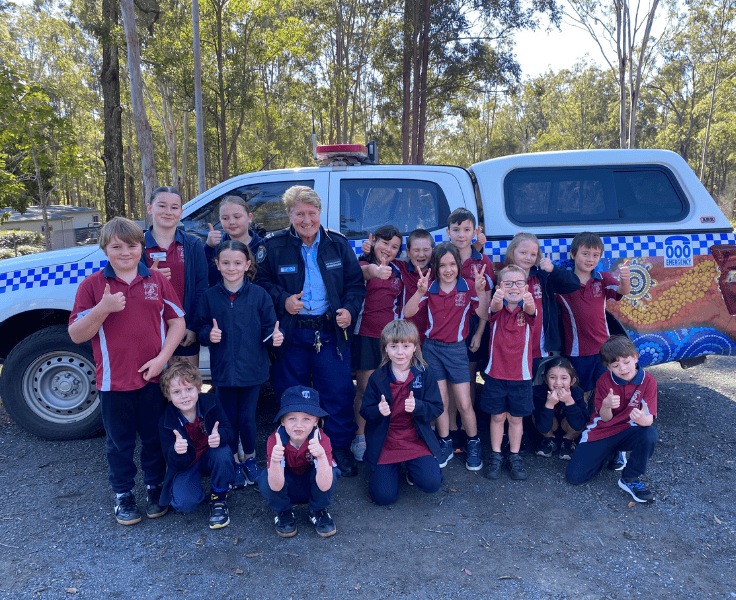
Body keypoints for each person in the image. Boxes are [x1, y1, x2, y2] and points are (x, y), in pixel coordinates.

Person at [68, 217, 186, 525]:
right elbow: (77, 334)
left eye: (132, 246)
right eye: (116, 247)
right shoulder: (93, 286)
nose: (125, 253)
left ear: (142, 248)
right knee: (119, 443)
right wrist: (103, 308)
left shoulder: (157, 281)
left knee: (153, 438)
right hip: (114, 381)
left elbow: (177, 323)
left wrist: (162, 359)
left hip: (153, 379)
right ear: (105, 249)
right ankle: (123, 495)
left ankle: (154, 487)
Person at [254, 185, 366, 477]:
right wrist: (283, 299)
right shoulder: (274, 245)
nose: (306, 220)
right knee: (292, 395)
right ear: (289, 215)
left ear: (320, 213)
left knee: (338, 392)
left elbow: (355, 286)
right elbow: (260, 284)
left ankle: (338, 448)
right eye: (299, 213)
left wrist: (349, 311)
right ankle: (294, 452)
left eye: (311, 213)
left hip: (329, 332)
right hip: (292, 333)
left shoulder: (338, 244)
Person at [191, 241, 283, 488]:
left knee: (246, 418)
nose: (232, 268)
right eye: (226, 263)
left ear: (247, 265)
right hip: (223, 371)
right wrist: (207, 334)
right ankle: (232, 460)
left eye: (237, 263)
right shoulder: (210, 296)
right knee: (227, 418)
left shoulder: (259, 295)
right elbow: (199, 327)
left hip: (253, 370)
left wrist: (275, 337)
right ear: (218, 265)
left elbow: (269, 327)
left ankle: (250, 460)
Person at [403, 242, 489, 470]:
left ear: (459, 265)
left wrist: (481, 292)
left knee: (464, 402)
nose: (448, 269)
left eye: (452, 264)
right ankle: (445, 443)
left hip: (457, 350)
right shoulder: (429, 288)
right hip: (432, 349)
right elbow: (407, 312)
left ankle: (473, 442)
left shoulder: (468, 286)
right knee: (440, 401)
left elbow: (483, 313)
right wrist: (419, 292)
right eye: (442, 265)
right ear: (436, 267)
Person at [360, 320, 444, 505]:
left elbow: (437, 408)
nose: (400, 352)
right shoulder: (377, 377)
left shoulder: (424, 373)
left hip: (415, 439)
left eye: (406, 346)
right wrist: (378, 410)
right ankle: (389, 471)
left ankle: (414, 471)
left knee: (431, 483)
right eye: (394, 346)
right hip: (386, 441)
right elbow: (365, 411)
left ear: (414, 347)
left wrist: (419, 407)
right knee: (384, 497)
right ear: (385, 349)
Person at [566, 336, 659, 503]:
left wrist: (642, 419)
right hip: (602, 431)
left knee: (649, 434)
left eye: (626, 362)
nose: (622, 369)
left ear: (636, 357)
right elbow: (605, 418)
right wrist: (607, 405)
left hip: (628, 430)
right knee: (575, 477)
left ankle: (630, 478)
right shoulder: (604, 381)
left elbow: (649, 420)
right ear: (608, 367)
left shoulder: (648, 381)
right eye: (615, 366)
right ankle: (611, 453)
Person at [158, 361, 235, 528]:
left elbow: (228, 430)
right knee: (185, 505)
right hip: (188, 463)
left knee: (222, 452)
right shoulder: (166, 420)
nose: (184, 396)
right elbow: (171, 461)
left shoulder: (211, 402)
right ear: (168, 395)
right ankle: (195, 486)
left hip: (210, 456)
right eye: (177, 392)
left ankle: (219, 498)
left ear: (199, 388)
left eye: (189, 389)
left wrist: (220, 436)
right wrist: (176, 451)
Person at [350, 225, 404, 463]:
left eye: (394, 247)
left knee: (391, 390)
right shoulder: (361, 265)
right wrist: (375, 269)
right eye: (384, 243)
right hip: (365, 336)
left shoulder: (399, 271)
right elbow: (367, 272)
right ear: (372, 240)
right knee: (364, 389)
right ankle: (359, 436)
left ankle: (389, 433)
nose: (388, 250)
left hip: (391, 341)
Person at [258, 386, 340, 537]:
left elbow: (325, 484)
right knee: (265, 478)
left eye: (306, 418)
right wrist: (275, 461)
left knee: (331, 470)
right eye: (292, 418)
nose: (299, 425)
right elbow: (275, 486)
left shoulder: (322, 439)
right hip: (286, 487)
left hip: (312, 486)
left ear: (316, 421)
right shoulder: (275, 440)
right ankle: (283, 511)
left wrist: (321, 457)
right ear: (282, 421)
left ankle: (317, 510)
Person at [556, 232, 631, 394]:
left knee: (605, 390)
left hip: (604, 349)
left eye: (595, 255)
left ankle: (601, 419)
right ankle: (583, 419)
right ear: (573, 254)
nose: (590, 259)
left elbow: (621, 291)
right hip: (577, 351)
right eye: (585, 254)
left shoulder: (602, 279)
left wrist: (625, 280)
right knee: (578, 392)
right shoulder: (563, 283)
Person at [445, 209, 495, 452]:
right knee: (451, 378)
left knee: (467, 378)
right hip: (450, 326)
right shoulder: (443, 256)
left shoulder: (483, 261)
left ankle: (467, 429)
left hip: (474, 325)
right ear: (448, 232)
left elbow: (486, 299)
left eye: (466, 230)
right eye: (456, 230)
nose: (461, 235)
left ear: (475, 232)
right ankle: (452, 429)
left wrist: (479, 332)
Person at [142, 186, 208, 367]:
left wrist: (193, 327)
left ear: (181, 212)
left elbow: (201, 290)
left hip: (184, 333)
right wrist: (147, 277)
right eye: (162, 206)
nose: (168, 212)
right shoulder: (136, 246)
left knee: (183, 390)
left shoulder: (193, 244)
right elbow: (125, 289)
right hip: (147, 334)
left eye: (174, 207)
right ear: (150, 208)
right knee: (153, 393)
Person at [481, 265, 537, 481]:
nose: (514, 287)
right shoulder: (496, 309)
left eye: (519, 283)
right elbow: (494, 306)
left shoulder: (529, 309)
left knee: (515, 419)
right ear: (499, 287)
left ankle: (514, 455)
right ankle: (495, 454)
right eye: (508, 283)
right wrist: (498, 297)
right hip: (496, 374)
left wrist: (528, 302)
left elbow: (532, 311)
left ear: (526, 286)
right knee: (497, 417)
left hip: (521, 376)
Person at [503, 232, 580, 375]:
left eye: (533, 254)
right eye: (523, 252)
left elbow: (574, 284)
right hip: (512, 346)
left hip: (537, 346)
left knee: (530, 384)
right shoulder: (504, 277)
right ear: (512, 252)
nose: (528, 257)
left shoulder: (542, 277)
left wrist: (553, 269)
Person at [532, 358, 589, 460]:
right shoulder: (538, 392)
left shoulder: (577, 393)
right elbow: (542, 427)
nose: (558, 382)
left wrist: (569, 402)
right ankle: (549, 439)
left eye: (564, 378)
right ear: (545, 379)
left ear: (572, 381)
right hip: (548, 428)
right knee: (536, 413)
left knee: (581, 415)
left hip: (569, 427)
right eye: (552, 377)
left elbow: (579, 424)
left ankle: (568, 441)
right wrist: (549, 405)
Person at [204, 195, 263, 287]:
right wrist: (209, 247)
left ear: (249, 217)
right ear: (220, 220)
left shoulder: (263, 246)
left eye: (237, 217)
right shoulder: (216, 247)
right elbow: (204, 277)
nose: (231, 222)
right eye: (225, 218)